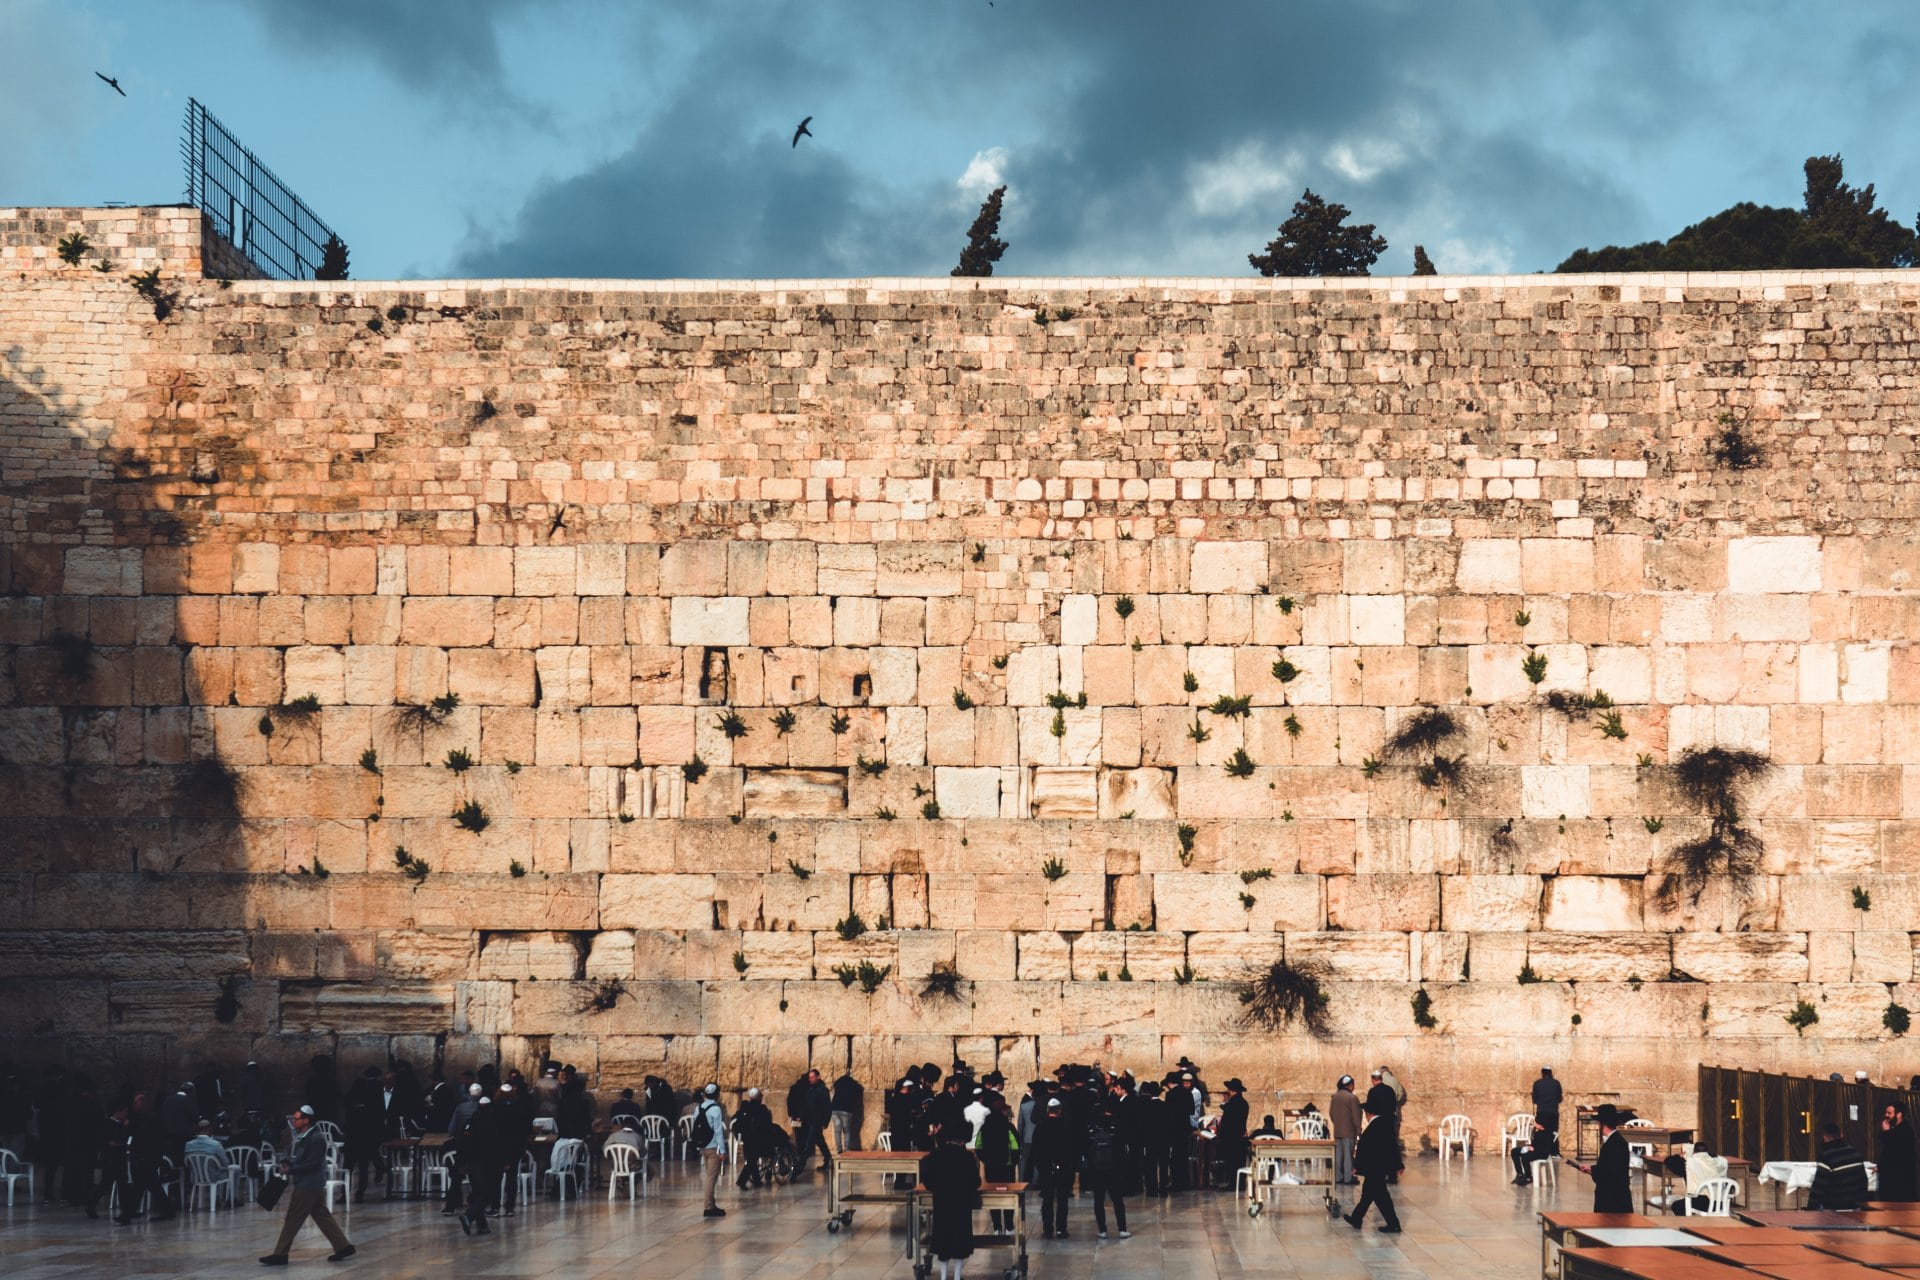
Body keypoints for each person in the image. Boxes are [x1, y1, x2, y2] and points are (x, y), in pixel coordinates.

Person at [261, 1105, 355, 1265]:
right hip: (310, 1183)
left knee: (293, 1218)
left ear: (306, 1120)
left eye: (297, 1119)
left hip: (309, 1185)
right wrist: (287, 1162)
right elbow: (298, 1156)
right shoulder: (303, 1136)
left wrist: (291, 1170)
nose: (294, 1121)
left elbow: (313, 1163)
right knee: (322, 1216)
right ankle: (343, 1246)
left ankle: (280, 1254)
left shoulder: (316, 1138)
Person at [919, 1117, 982, 1280]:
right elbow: (975, 1182)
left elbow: (927, 1179)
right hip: (961, 1204)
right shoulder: (967, 1158)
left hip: (942, 1202)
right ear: (962, 1140)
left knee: (943, 1240)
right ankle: (957, 1276)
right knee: (959, 1240)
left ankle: (943, 1276)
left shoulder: (936, 1155)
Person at [1345, 1096, 1403, 1233]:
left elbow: (1365, 1149)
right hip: (1378, 1167)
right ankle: (1356, 1218)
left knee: (1381, 1197)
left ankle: (1393, 1224)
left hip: (1375, 1168)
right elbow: (1393, 1146)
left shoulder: (1376, 1126)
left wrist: (1357, 1166)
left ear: (1369, 1113)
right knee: (1367, 1195)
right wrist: (1398, 1164)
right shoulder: (1384, 1124)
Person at [456, 1094, 502, 1236]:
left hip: (471, 1164)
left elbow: (461, 1144)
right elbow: (496, 1146)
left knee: (477, 1194)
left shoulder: (469, 1123)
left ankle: (482, 1226)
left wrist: (461, 1163)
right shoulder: (492, 1123)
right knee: (487, 1194)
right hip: (486, 1164)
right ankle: (469, 1217)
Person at [1085, 1096, 1130, 1239]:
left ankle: (1102, 1230)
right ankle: (1122, 1229)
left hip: (1097, 1170)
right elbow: (1122, 1149)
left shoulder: (1091, 1129)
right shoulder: (1115, 1126)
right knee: (1117, 1200)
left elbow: (1087, 1150)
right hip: (1113, 1168)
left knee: (1098, 1200)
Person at [975, 1093, 1020, 1233]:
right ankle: (1009, 1225)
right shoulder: (1008, 1127)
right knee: (1008, 1195)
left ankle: (997, 1226)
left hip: (991, 1167)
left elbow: (979, 1146)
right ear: (1002, 1111)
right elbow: (1016, 1147)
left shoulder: (984, 1128)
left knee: (992, 1195)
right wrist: (1013, 1162)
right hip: (1007, 1167)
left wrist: (986, 1160)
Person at [1030, 1097, 1075, 1238]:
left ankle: (1048, 1230)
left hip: (1046, 1169)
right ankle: (1061, 1229)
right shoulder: (1067, 1127)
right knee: (1062, 1200)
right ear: (1060, 1111)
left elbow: (1035, 1151)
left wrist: (1042, 1167)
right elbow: (1071, 1150)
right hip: (1063, 1168)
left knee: (1047, 1200)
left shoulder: (1040, 1127)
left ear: (1047, 1110)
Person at [1579, 1104, 1634, 1214]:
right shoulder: (1615, 1140)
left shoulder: (1615, 1143)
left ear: (1601, 1123)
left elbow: (1611, 1173)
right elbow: (1608, 1166)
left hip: (1612, 1200)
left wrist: (1593, 1170)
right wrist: (1592, 1169)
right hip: (1614, 1197)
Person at [1807, 1123, 1870, 1211]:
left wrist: (1810, 1209)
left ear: (1824, 1137)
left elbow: (1818, 1187)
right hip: (1857, 1206)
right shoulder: (1855, 1153)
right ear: (1841, 1134)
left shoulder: (1826, 1156)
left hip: (1835, 1208)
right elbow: (1864, 1181)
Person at [1658, 1144, 1726, 1213]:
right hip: (1720, 1203)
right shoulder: (1719, 1162)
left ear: (1694, 1152)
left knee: (1676, 1206)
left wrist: (1680, 1155)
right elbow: (1715, 1156)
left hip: (1703, 1203)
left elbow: (1668, 1160)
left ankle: (1689, 1222)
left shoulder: (1688, 1164)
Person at [733, 1087, 775, 1189]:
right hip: (758, 1139)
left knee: (751, 1158)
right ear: (759, 1098)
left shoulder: (744, 1108)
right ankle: (741, 1181)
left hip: (746, 1138)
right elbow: (767, 1125)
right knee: (752, 1160)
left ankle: (756, 1180)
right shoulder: (761, 1109)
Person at [697, 1084, 729, 1217]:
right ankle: (709, 1207)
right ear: (717, 1095)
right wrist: (723, 1150)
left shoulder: (699, 1108)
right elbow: (718, 1131)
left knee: (710, 1176)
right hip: (713, 1147)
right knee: (711, 1178)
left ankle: (712, 1203)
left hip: (703, 1146)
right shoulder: (716, 1109)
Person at [1214, 1078, 1250, 1190]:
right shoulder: (1243, 1102)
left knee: (1232, 1162)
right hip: (1239, 1136)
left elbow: (1226, 1115)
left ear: (1231, 1090)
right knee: (1239, 1161)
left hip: (1231, 1137)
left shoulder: (1233, 1102)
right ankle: (1240, 1184)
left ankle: (1233, 1185)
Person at [1880, 1101, 1918, 1204]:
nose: (1886, 1115)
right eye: (1886, 1112)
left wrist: (1886, 1132)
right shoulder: (1896, 1128)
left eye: (1889, 1113)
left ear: (1899, 1114)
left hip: (1899, 1181)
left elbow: (1894, 1151)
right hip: (1894, 1179)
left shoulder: (1904, 1130)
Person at [1331, 1074, 1363, 1186]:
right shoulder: (1352, 1098)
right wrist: (1358, 1130)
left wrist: (1338, 1124)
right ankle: (1348, 1178)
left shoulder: (1335, 1096)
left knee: (1339, 1155)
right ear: (1350, 1085)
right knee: (1348, 1155)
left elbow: (1331, 1114)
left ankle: (1338, 1177)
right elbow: (1356, 1116)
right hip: (1349, 1131)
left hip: (1338, 1131)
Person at [831, 1070, 863, 1153]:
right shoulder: (853, 1084)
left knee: (837, 1131)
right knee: (847, 1130)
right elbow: (859, 1091)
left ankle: (839, 1149)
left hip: (834, 1109)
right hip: (846, 1110)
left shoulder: (838, 1082)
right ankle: (846, 1149)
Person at [1531, 1067, 1563, 1138]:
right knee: (1552, 1135)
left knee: (1542, 1135)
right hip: (1553, 1113)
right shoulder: (1556, 1083)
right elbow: (1560, 1099)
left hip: (1541, 1113)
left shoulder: (1537, 1083)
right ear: (1550, 1073)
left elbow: (1534, 1100)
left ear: (1542, 1073)